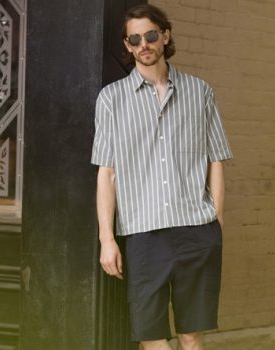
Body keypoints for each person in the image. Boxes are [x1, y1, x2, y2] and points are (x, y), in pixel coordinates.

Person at [91, 4, 232, 350]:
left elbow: (216, 160)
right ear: (127, 45)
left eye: (151, 35)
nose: (144, 44)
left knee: (191, 336)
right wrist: (107, 239)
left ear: (165, 36)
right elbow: (106, 174)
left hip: (196, 231)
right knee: (150, 337)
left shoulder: (200, 93)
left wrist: (217, 221)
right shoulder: (111, 100)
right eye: (135, 39)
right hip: (144, 234)